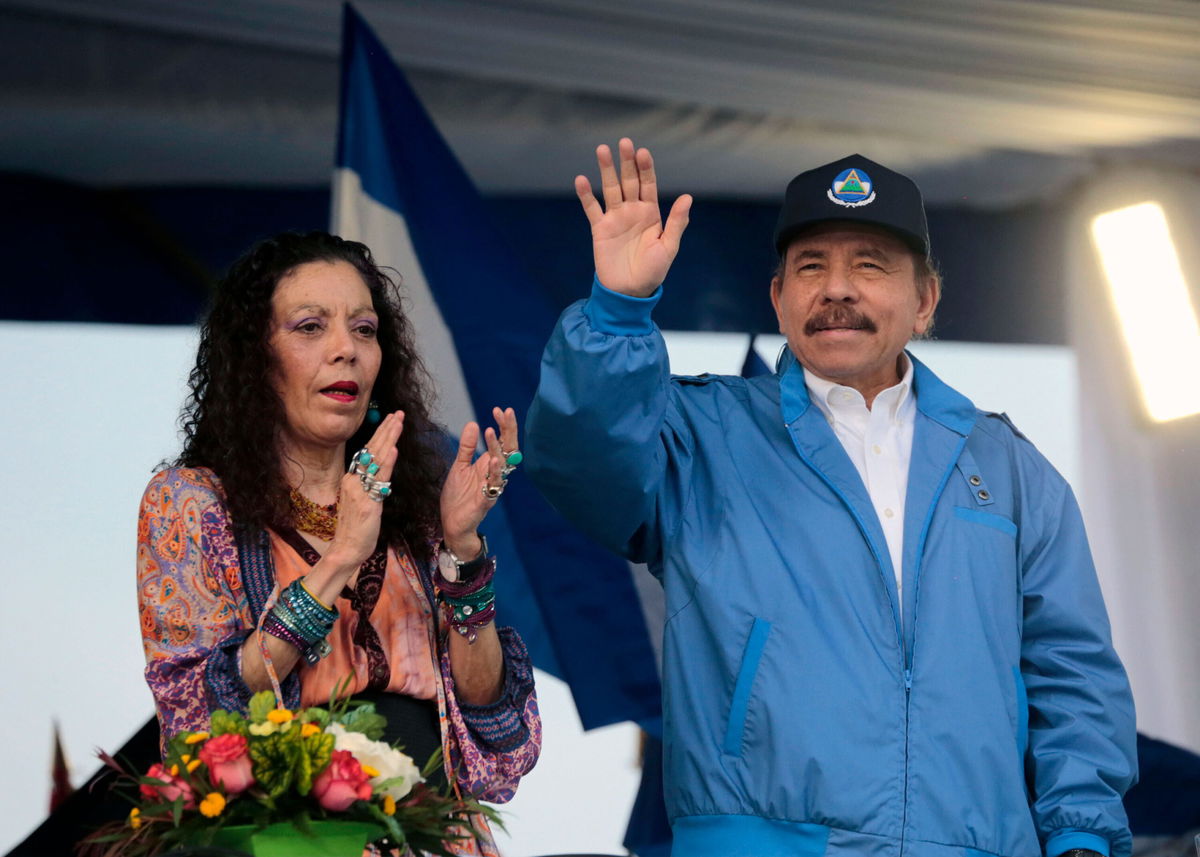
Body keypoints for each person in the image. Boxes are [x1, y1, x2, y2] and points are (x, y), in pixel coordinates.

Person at [525, 140, 1137, 857]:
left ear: (926, 300)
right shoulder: (700, 437)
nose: (836, 288)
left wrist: (1082, 837)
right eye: (811, 267)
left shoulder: (1007, 469)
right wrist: (619, 311)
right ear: (779, 299)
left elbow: (1072, 673)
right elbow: (581, 465)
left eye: (869, 265)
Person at [137, 231, 540, 856]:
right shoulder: (191, 503)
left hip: (432, 835)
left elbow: (491, 725)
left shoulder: (412, 510)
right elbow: (199, 716)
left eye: (364, 329)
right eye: (309, 327)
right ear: (253, 357)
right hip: (288, 837)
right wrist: (341, 558)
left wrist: (461, 550)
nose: (344, 351)